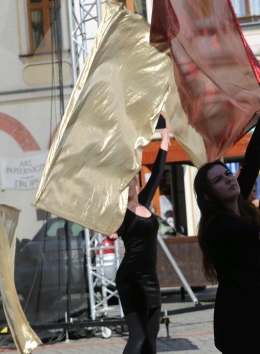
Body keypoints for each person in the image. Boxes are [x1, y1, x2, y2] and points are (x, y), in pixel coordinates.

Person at [194, 90, 260, 354]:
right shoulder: (216, 224)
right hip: (237, 315)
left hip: (257, 307)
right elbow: (244, 232)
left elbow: (253, 160)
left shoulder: (240, 205)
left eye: (227, 173)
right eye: (219, 180)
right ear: (210, 195)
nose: (229, 179)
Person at [111, 127, 170, 354]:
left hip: (150, 278)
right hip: (131, 278)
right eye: (124, 184)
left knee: (151, 334)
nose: (130, 185)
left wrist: (164, 139)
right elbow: (110, 227)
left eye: (132, 181)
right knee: (138, 335)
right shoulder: (120, 214)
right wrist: (113, 231)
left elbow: (157, 173)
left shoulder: (144, 202)